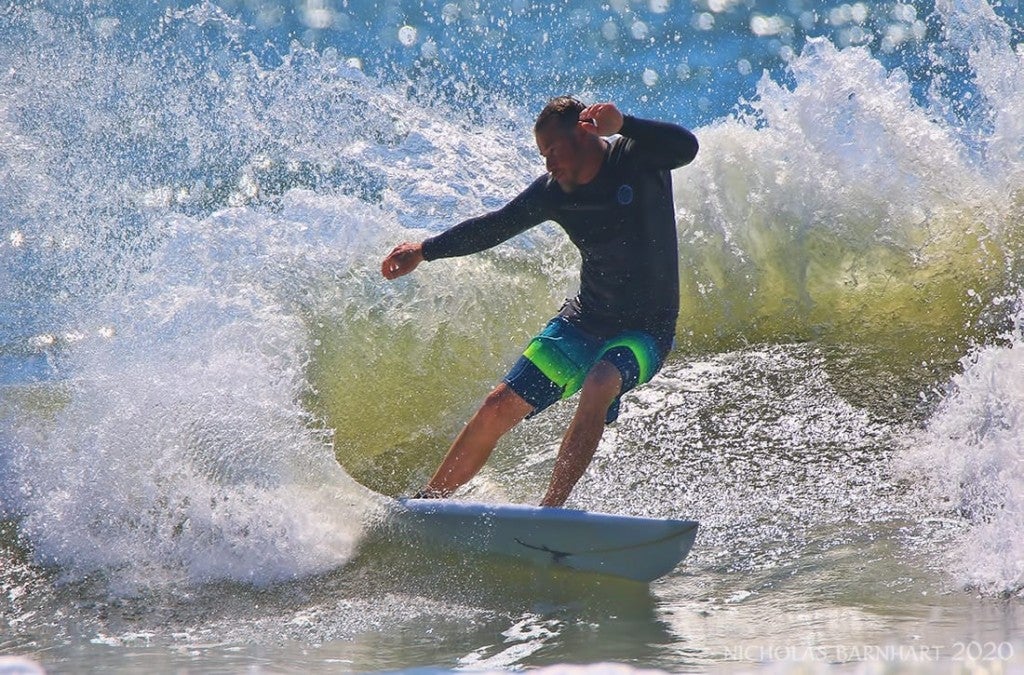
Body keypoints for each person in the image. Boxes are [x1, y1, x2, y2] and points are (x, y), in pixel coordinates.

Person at [381, 97, 698, 506]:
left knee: (602, 380)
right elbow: (494, 226)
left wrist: (626, 123)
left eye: (551, 150)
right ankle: (429, 501)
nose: (548, 164)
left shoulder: (636, 157)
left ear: (584, 133)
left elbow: (686, 147)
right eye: (542, 155)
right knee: (499, 405)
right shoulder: (555, 193)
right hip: (586, 321)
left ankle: (551, 511)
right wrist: (425, 250)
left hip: (646, 331)